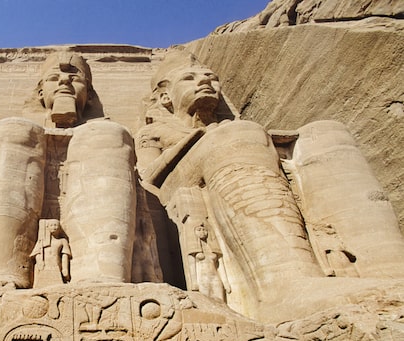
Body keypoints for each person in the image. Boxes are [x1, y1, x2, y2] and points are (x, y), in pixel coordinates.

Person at [137, 48, 404, 316]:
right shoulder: (154, 131)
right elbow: (148, 177)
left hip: (232, 146)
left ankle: (387, 272)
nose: (205, 82)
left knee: (327, 133)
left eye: (211, 77)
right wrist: (201, 138)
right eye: (190, 79)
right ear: (164, 97)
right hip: (179, 182)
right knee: (236, 136)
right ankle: (283, 284)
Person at [0, 52, 137, 287]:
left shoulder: (100, 130)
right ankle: (1, 275)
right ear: (40, 93)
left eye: (75, 78)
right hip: (31, 145)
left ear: (89, 96)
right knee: (11, 130)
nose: (64, 81)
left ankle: (98, 275)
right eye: (54, 78)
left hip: (90, 144)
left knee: (108, 134)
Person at [30, 219, 71, 288]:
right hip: (44, 265)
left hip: (56, 264)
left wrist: (65, 268)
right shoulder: (42, 242)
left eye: (56, 225)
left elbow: (65, 255)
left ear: (59, 227)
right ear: (47, 227)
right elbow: (37, 253)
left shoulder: (62, 241)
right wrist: (39, 261)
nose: (54, 227)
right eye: (51, 225)